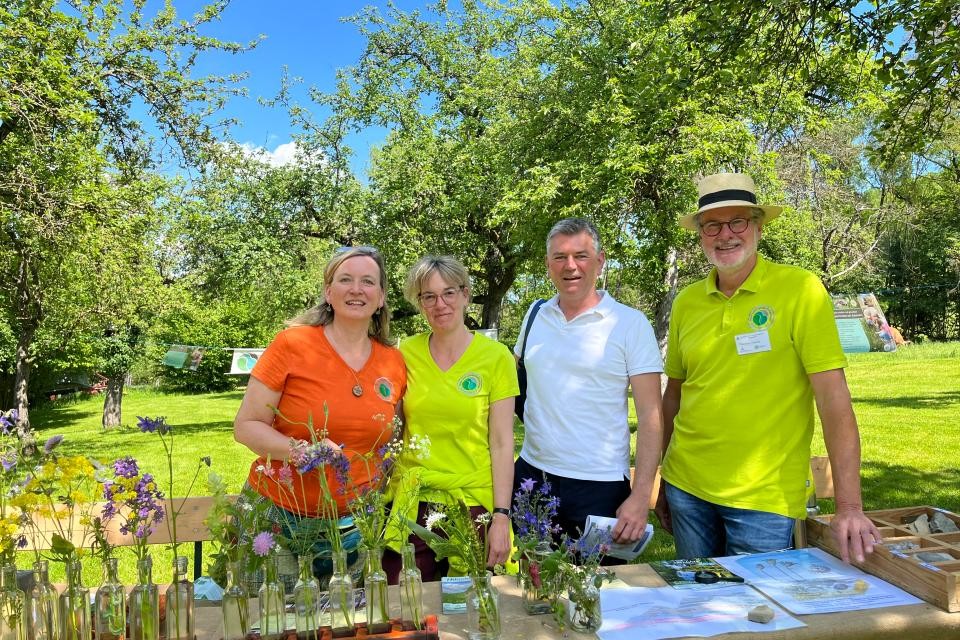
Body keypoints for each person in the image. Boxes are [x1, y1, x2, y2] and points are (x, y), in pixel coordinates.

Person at [656, 172, 882, 563]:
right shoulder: (687, 302)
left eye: (737, 221)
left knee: (760, 616)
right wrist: (660, 481)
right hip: (686, 489)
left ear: (758, 226)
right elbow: (673, 394)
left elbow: (833, 399)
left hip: (764, 496)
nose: (725, 234)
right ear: (700, 235)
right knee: (698, 609)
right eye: (712, 225)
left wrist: (849, 507)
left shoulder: (800, 290)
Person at [234, 246, 407, 583]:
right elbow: (246, 426)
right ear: (329, 292)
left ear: (381, 296)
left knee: (348, 626)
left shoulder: (393, 362)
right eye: (345, 279)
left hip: (355, 527)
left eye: (368, 281)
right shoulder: (291, 344)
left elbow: (394, 439)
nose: (356, 289)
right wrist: (302, 452)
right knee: (270, 625)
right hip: (278, 517)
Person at [513, 218, 663, 545]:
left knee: (598, 590)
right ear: (547, 264)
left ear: (600, 260)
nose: (570, 266)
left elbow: (651, 418)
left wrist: (640, 497)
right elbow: (514, 381)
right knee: (535, 586)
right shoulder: (535, 314)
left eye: (581, 255)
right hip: (532, 477)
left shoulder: (630, 324)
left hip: (600, 486)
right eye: (559, 257)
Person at [384, 255, 517, 581]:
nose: (439, 304)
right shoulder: (405, 353)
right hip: (413, 501)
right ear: (419, 303)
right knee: (403, 606)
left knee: (475, 609)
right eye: (428, 296)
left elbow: (501, 443)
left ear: (466, 294)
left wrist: (501, 517)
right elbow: (393, 432)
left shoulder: (495, 357)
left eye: (448, 293)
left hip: (472, 502)